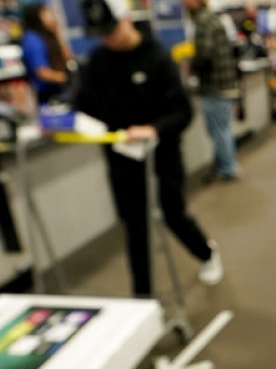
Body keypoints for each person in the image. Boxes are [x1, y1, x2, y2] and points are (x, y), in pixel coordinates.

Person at [76, 0, 224, 295]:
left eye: (112, 30)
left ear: (127, 19)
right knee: (135, 229)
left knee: (173, 214)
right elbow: (84, 105)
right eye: (102, 33)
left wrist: (153, 129)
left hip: (162, 155)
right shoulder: (97, 63)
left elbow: (183, 112)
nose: (108, 38)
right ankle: (143, 299)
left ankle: (207, 253)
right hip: (122, 160)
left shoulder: (157, 57)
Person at [184, 0, 242, 181]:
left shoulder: (202, 21)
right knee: (222, 128)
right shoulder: (214, 18)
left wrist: (192, 67)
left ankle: (227, 168)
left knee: (218, 130)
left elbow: (205, 53)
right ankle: (224, 165)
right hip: (225, 83)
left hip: (214, 86)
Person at [20, 1, 73, 104]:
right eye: (46, 13)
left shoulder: (49, 35)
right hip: (48, 96)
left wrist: (57, 33)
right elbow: (42, 72)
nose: (51, 16)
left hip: (60, 90)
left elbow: (68, 59)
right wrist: (68, 79)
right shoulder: (32, 39)